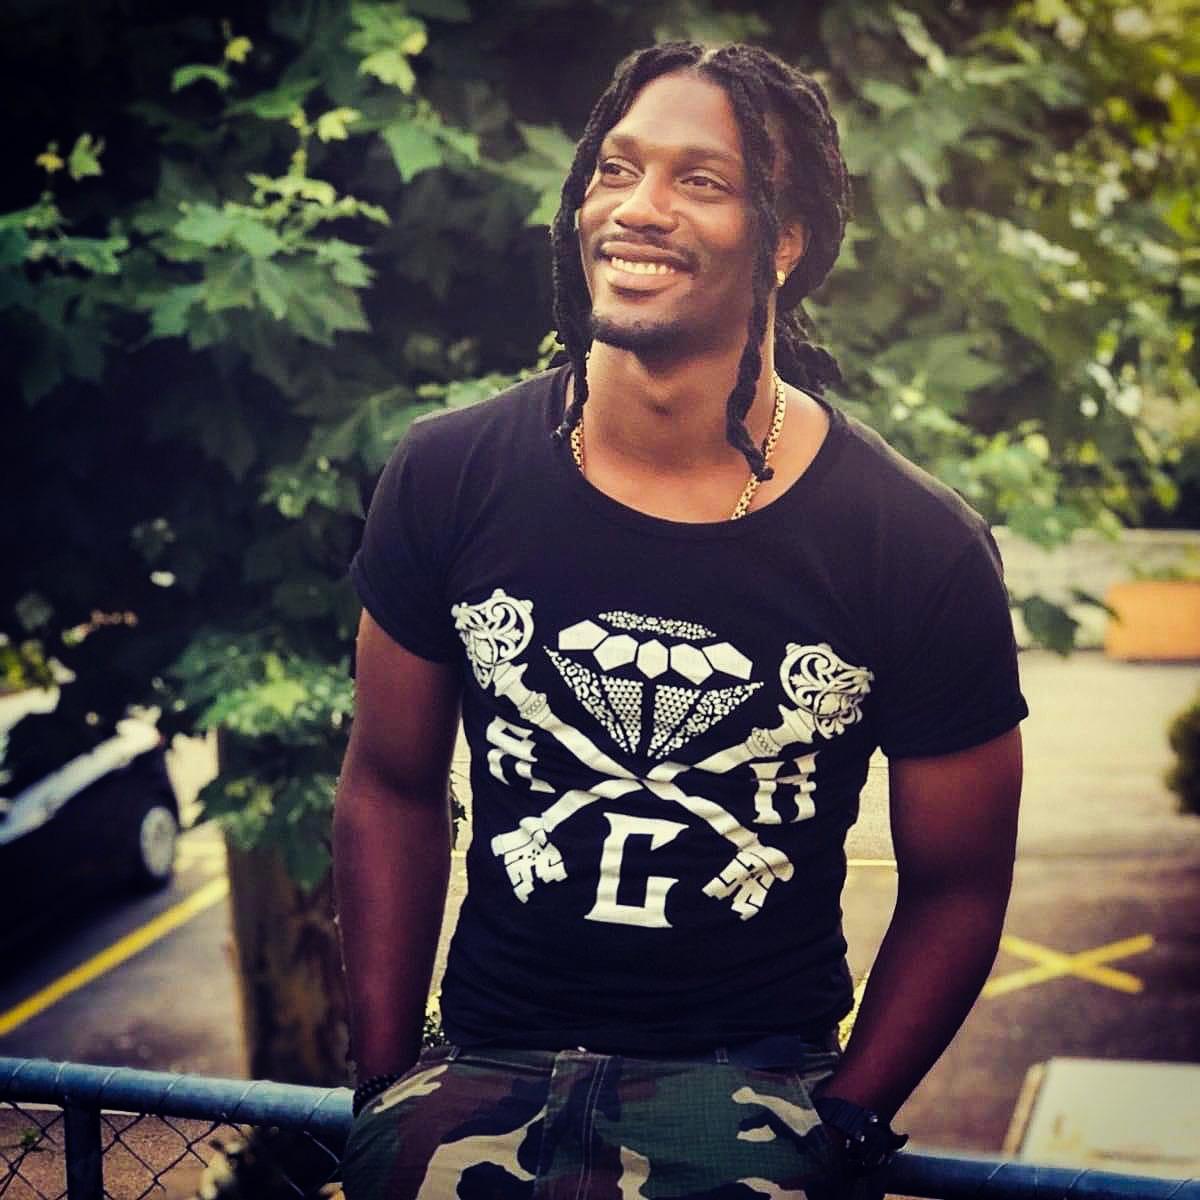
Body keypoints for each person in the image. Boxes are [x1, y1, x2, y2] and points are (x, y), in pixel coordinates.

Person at [334, 40, 1027, 1199]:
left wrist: (843, 1124)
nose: (637, 208)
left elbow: (959, 886)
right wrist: (387, 1088)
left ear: (785, 241)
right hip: (482, 1069)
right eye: (616, 169)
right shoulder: (448, 474)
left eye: (699, 180)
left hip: (751, 1090)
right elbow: (391, 783)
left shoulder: (915, 545)